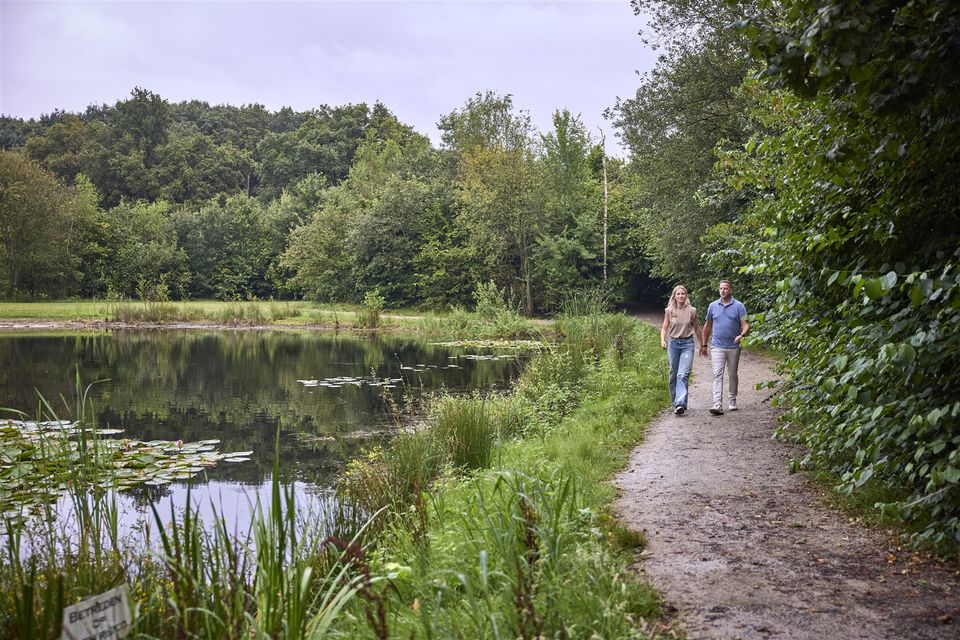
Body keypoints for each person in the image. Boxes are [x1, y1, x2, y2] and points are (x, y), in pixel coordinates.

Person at [701, 279, 750, 415]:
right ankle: (717, 403)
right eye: (721, 288)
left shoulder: (739, 306)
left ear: (730, 290)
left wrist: (742, 334)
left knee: (733, 374)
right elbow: (707, 326)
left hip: (734, 346)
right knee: (717, 374)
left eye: (725, 288)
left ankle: (732, 398)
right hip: (717, 346)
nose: (723, 291)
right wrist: (704, 344)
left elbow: (746, 324)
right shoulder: (713, 306)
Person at [660, 284, 704, 416]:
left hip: (687, 344)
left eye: (683, 294)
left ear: (686, 296)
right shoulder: (669, 311)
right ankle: (678, 403)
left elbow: (697, 328)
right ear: (674, 296)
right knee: (673, 373)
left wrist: (702, 344)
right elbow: (664, 327)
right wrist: (663, 339)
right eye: (678, 294)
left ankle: (680, 403)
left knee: (683, 374)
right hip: (673, 344)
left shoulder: (692, 311)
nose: (680, 296)